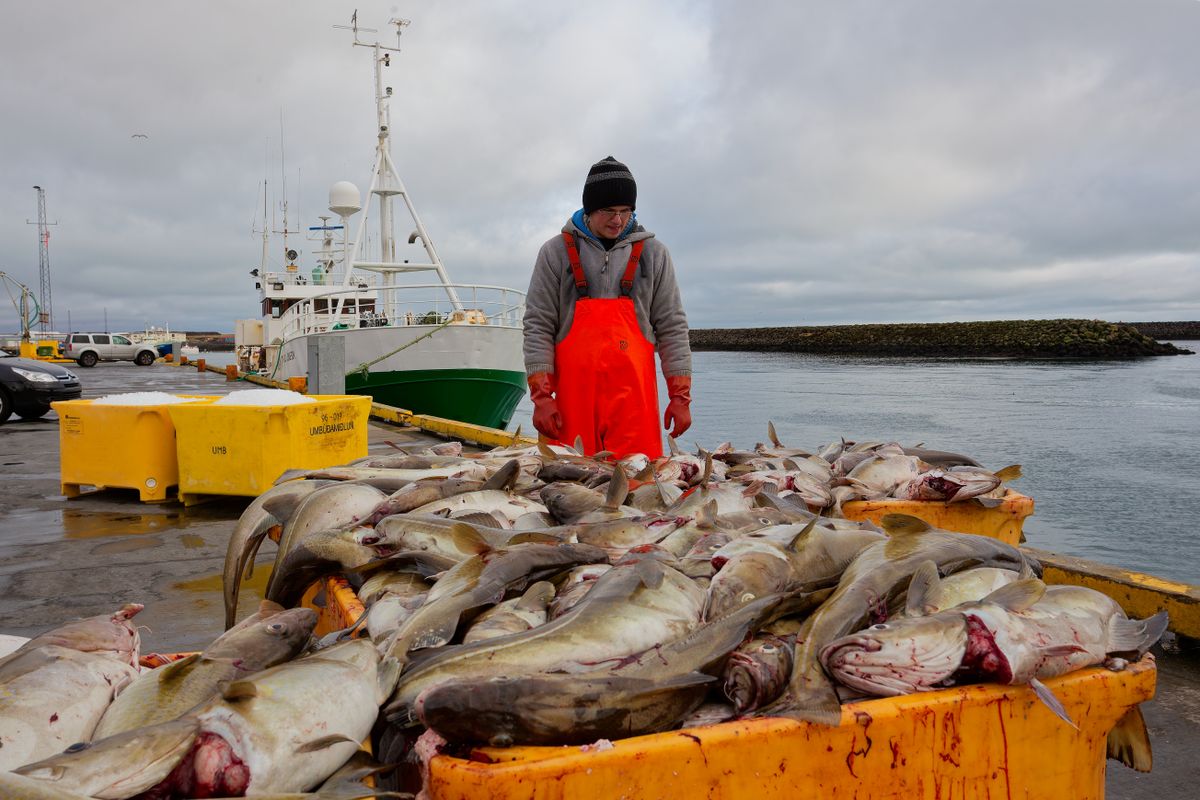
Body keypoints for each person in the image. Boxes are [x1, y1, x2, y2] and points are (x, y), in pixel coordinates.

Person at [522, 156, 692, 459]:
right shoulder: (555, 253)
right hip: (572, 406)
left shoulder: (654, 254)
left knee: (638, 490)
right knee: (568, 490)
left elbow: (672, 327)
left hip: (634, 408)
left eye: (626, 211)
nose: (618, 220)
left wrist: (680, 397)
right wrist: (542, 397)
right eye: (608, 211)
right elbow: (538, 325)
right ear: (589, 209)